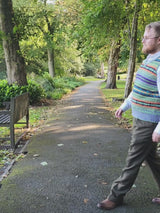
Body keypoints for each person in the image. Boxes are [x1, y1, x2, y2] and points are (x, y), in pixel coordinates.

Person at [97, 21, 160, 210]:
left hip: (149, 122)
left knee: (133, 159)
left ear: (158, 40)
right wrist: (125, 106)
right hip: (140, 118)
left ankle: (116, 196)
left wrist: (158, 128)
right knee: (152, 159)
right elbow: (139, 89)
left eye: (146, 37)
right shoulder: (149, 61)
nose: (142, 40)